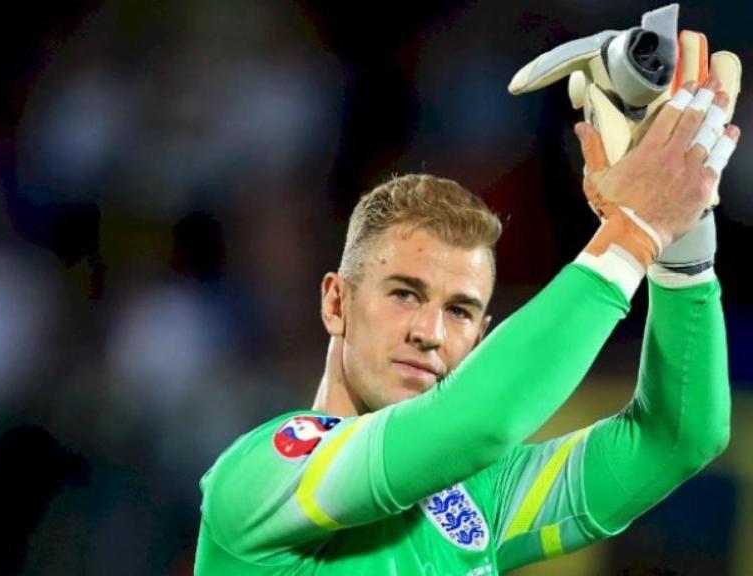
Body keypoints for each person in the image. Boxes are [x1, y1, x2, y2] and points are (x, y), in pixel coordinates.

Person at [194, 74, 740, 574]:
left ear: (480, 337)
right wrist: (634, 231)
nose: (429, 332)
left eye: (458, 310)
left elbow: (680, 436)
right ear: (337, 303)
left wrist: (681, 221)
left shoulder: (485, 499)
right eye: (405, 294)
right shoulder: (264, 476)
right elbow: (480, 423)